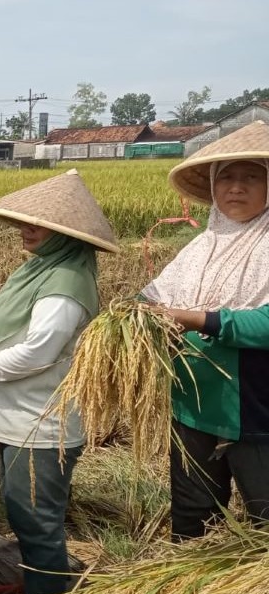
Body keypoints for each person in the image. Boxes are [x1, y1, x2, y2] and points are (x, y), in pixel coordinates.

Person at [0, 169, 119, 594]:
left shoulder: (67, 283)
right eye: (27, 220)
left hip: (42, 423)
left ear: (65, 235)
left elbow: (38, 351)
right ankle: (38, 579)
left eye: (40, 224)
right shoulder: (37, 269)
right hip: (18, 417)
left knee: (36, 516)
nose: (26, 229)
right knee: (22, 509)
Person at [141, 120, 269, 540]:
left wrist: (198, 319)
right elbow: (155, 300)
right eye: (227, 177)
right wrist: (144, 318)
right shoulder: (200, 246)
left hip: (253, 407)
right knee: (193, 516)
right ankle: (192, 593)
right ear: (213, 186)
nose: (236, 187)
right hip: (193, 403)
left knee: (264, 515)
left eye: (251, 177)